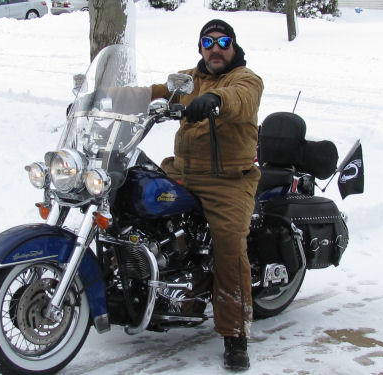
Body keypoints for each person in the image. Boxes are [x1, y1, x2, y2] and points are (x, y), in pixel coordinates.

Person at [151, 19, 263, 371]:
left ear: (234, 46)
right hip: (181, 170)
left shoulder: (245, 79)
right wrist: (104, 98)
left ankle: (235, 334)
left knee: (229, 244)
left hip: (227, 178)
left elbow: (240, 99)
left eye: (224, 41)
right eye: (208, 42)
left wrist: (215, 99)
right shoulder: (189, 79)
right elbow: (155, 91)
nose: (216, 48)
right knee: (126, 195)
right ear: (200, 47)